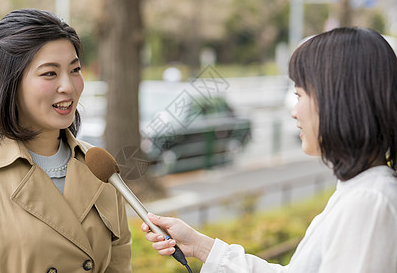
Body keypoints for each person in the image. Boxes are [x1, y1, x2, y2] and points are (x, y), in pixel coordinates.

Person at [141, 27, 397, 272]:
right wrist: (199, 246)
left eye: (300, 95)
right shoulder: (360, 191)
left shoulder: (369, 202)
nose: (294, 111)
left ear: (339, 100)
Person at [0, 9, 132, 272]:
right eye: (49, 73)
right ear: (8, 82)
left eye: (75, 69)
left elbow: (120, 263)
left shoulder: (100, 168)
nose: (68, 86)